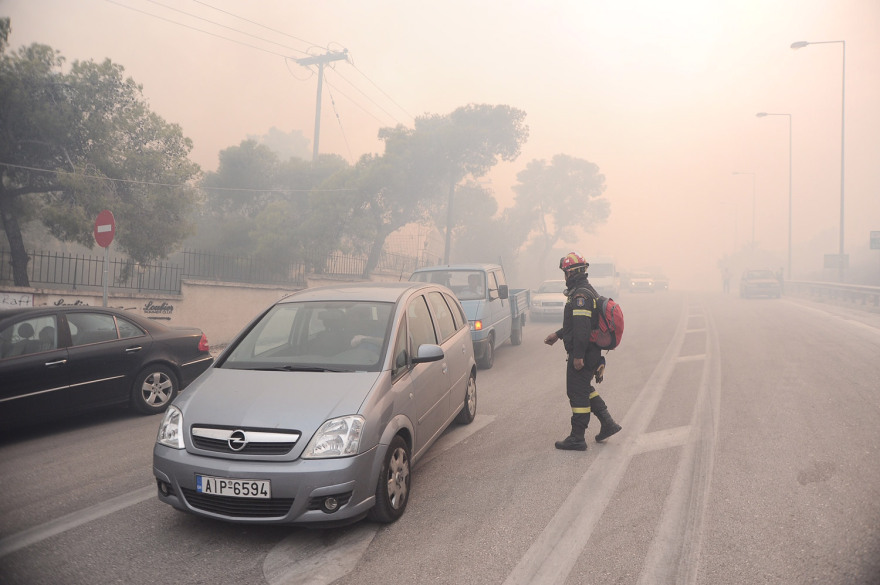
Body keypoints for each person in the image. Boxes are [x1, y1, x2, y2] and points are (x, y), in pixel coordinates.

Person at [544, 252, 622, 451]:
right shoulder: (585, 291)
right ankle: (607, 423)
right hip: (591, 352)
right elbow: (579, 324)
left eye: (565, 272)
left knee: (576, 392)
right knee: (584, 388)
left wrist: (578, 356)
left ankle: (577, 437)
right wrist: (558, 334)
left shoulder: (580, 296)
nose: (564, 276)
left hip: (584, 353)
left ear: (571, 273)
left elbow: (582, 329)